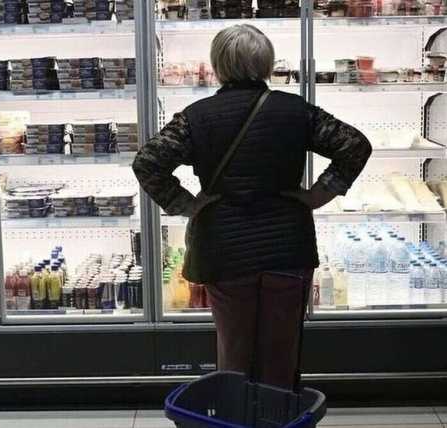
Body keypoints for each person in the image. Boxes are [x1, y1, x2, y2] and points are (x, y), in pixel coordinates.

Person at [132, 24, 372, 389]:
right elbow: (355, 145)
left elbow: (148, 162)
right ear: (267, 64)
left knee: (234, 352)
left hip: (225, 249)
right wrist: (318, 194)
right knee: (282, 354)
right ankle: (278, 411)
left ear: (218, 65)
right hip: (288, 246)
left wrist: (187, 204)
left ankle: (236, 410)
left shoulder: (197, 117)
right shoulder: (296, 111)